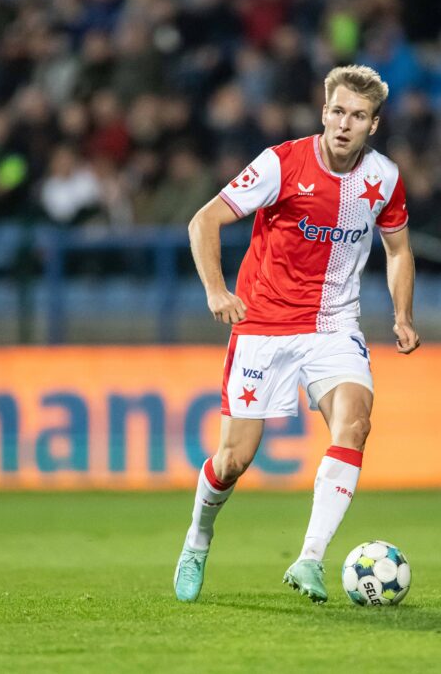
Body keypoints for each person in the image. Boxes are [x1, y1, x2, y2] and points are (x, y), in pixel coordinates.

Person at [174, 65, 419, 603]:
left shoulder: (383, 178)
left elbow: (398, 249)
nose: (344, 124)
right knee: (233, 461)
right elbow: (203, 221)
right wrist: (217, 291)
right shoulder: (282, 164)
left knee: (354, 424)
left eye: (357, 116)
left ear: (373, 125)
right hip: (262, 325)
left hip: (334, 326)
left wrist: (402, 315)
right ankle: (198, 537)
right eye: (337, 111)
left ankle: (310, 559)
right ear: (323, 112)